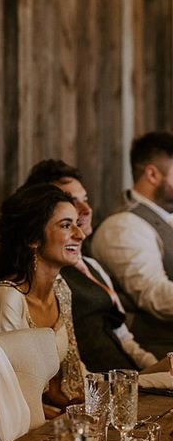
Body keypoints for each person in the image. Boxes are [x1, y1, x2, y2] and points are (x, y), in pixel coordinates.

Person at [22, 159, 160, 373]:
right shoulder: (34, 280)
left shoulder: (92, 265)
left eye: (85, 199)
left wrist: (158, 369)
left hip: (126, 377)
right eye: (71, 201)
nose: (85, 210)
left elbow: (123, 337)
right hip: (94, 387)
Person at [0, 183, 85, 418]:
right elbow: (5, 394)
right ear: (33, 238)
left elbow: (68, 374)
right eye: (66, 225)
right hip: (18, 430)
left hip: (56, 417)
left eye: (78, 224)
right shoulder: (5, 300)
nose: (80, 234)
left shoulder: (61, 288)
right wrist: (61, 419)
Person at [91, 131, 173, 358]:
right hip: (156, 352)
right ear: (152, 174)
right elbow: (153, 295)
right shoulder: (124, 227)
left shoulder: (166, 216)